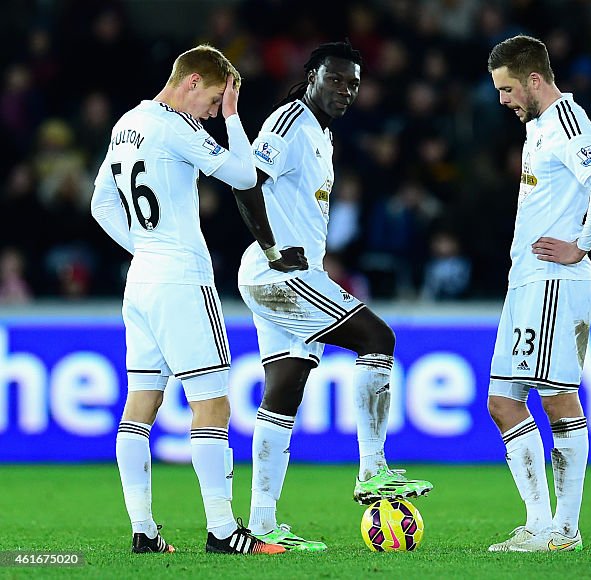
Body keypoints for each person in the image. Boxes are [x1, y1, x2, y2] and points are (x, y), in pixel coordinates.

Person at [233, 40, 433, 551]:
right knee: (377, 338)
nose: (346, 90)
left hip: (283, 274)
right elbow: (245, 181)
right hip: (276, 272)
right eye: (337, 79)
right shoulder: (290, 121)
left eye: (354, 84)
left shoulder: (322, 136)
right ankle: (373, 470)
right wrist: (273, 246)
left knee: (284, 390)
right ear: (312, 76)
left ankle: (260, 524)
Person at [90, 45, 287, 555]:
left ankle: (143, 530)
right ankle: (223, 531)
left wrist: (145, 248)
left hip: (143, 279)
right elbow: (245, 176)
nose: (213, 109)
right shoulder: (177, 126)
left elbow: (100, 203)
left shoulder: (127, 123)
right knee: (213, 405)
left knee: (140, 404)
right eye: (214, 98)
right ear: (193, 81)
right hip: (180, 277)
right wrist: (235, 119)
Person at [485, 35, 591, 552]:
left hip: (553, 283)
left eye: (507, 89)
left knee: (558, 398)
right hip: (525, 283)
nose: (503, 100)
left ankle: (564, 528)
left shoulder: (566, 120)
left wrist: (580, 246)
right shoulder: (538, 128)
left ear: (535, 80)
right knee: (502, 402)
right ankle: (540, 524)